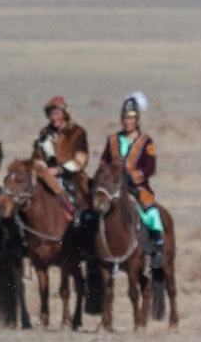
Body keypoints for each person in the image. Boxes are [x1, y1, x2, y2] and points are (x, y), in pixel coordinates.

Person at [100, 92, 163, 268]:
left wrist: (131, 175)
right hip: (113, 187)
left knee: (152, 213)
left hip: (137, 187)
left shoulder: (146, 141)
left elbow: (150, 167)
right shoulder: (112, 140)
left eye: (131, 118)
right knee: (95, 209)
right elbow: (104, 162)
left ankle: (157, 248)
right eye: (125, 118)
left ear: (137, 120)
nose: (128, 121)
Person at [31, 96, 90, 220]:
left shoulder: (77, 132)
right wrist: (44, 171)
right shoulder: (44, 134)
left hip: (73, 176)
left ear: (64, 114)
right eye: (51, 114)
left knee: (84, 200)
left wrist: (59, 170)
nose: (54, 117)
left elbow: (81, 160)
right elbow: (37, 158)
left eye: (57, 113)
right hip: (47, 175)